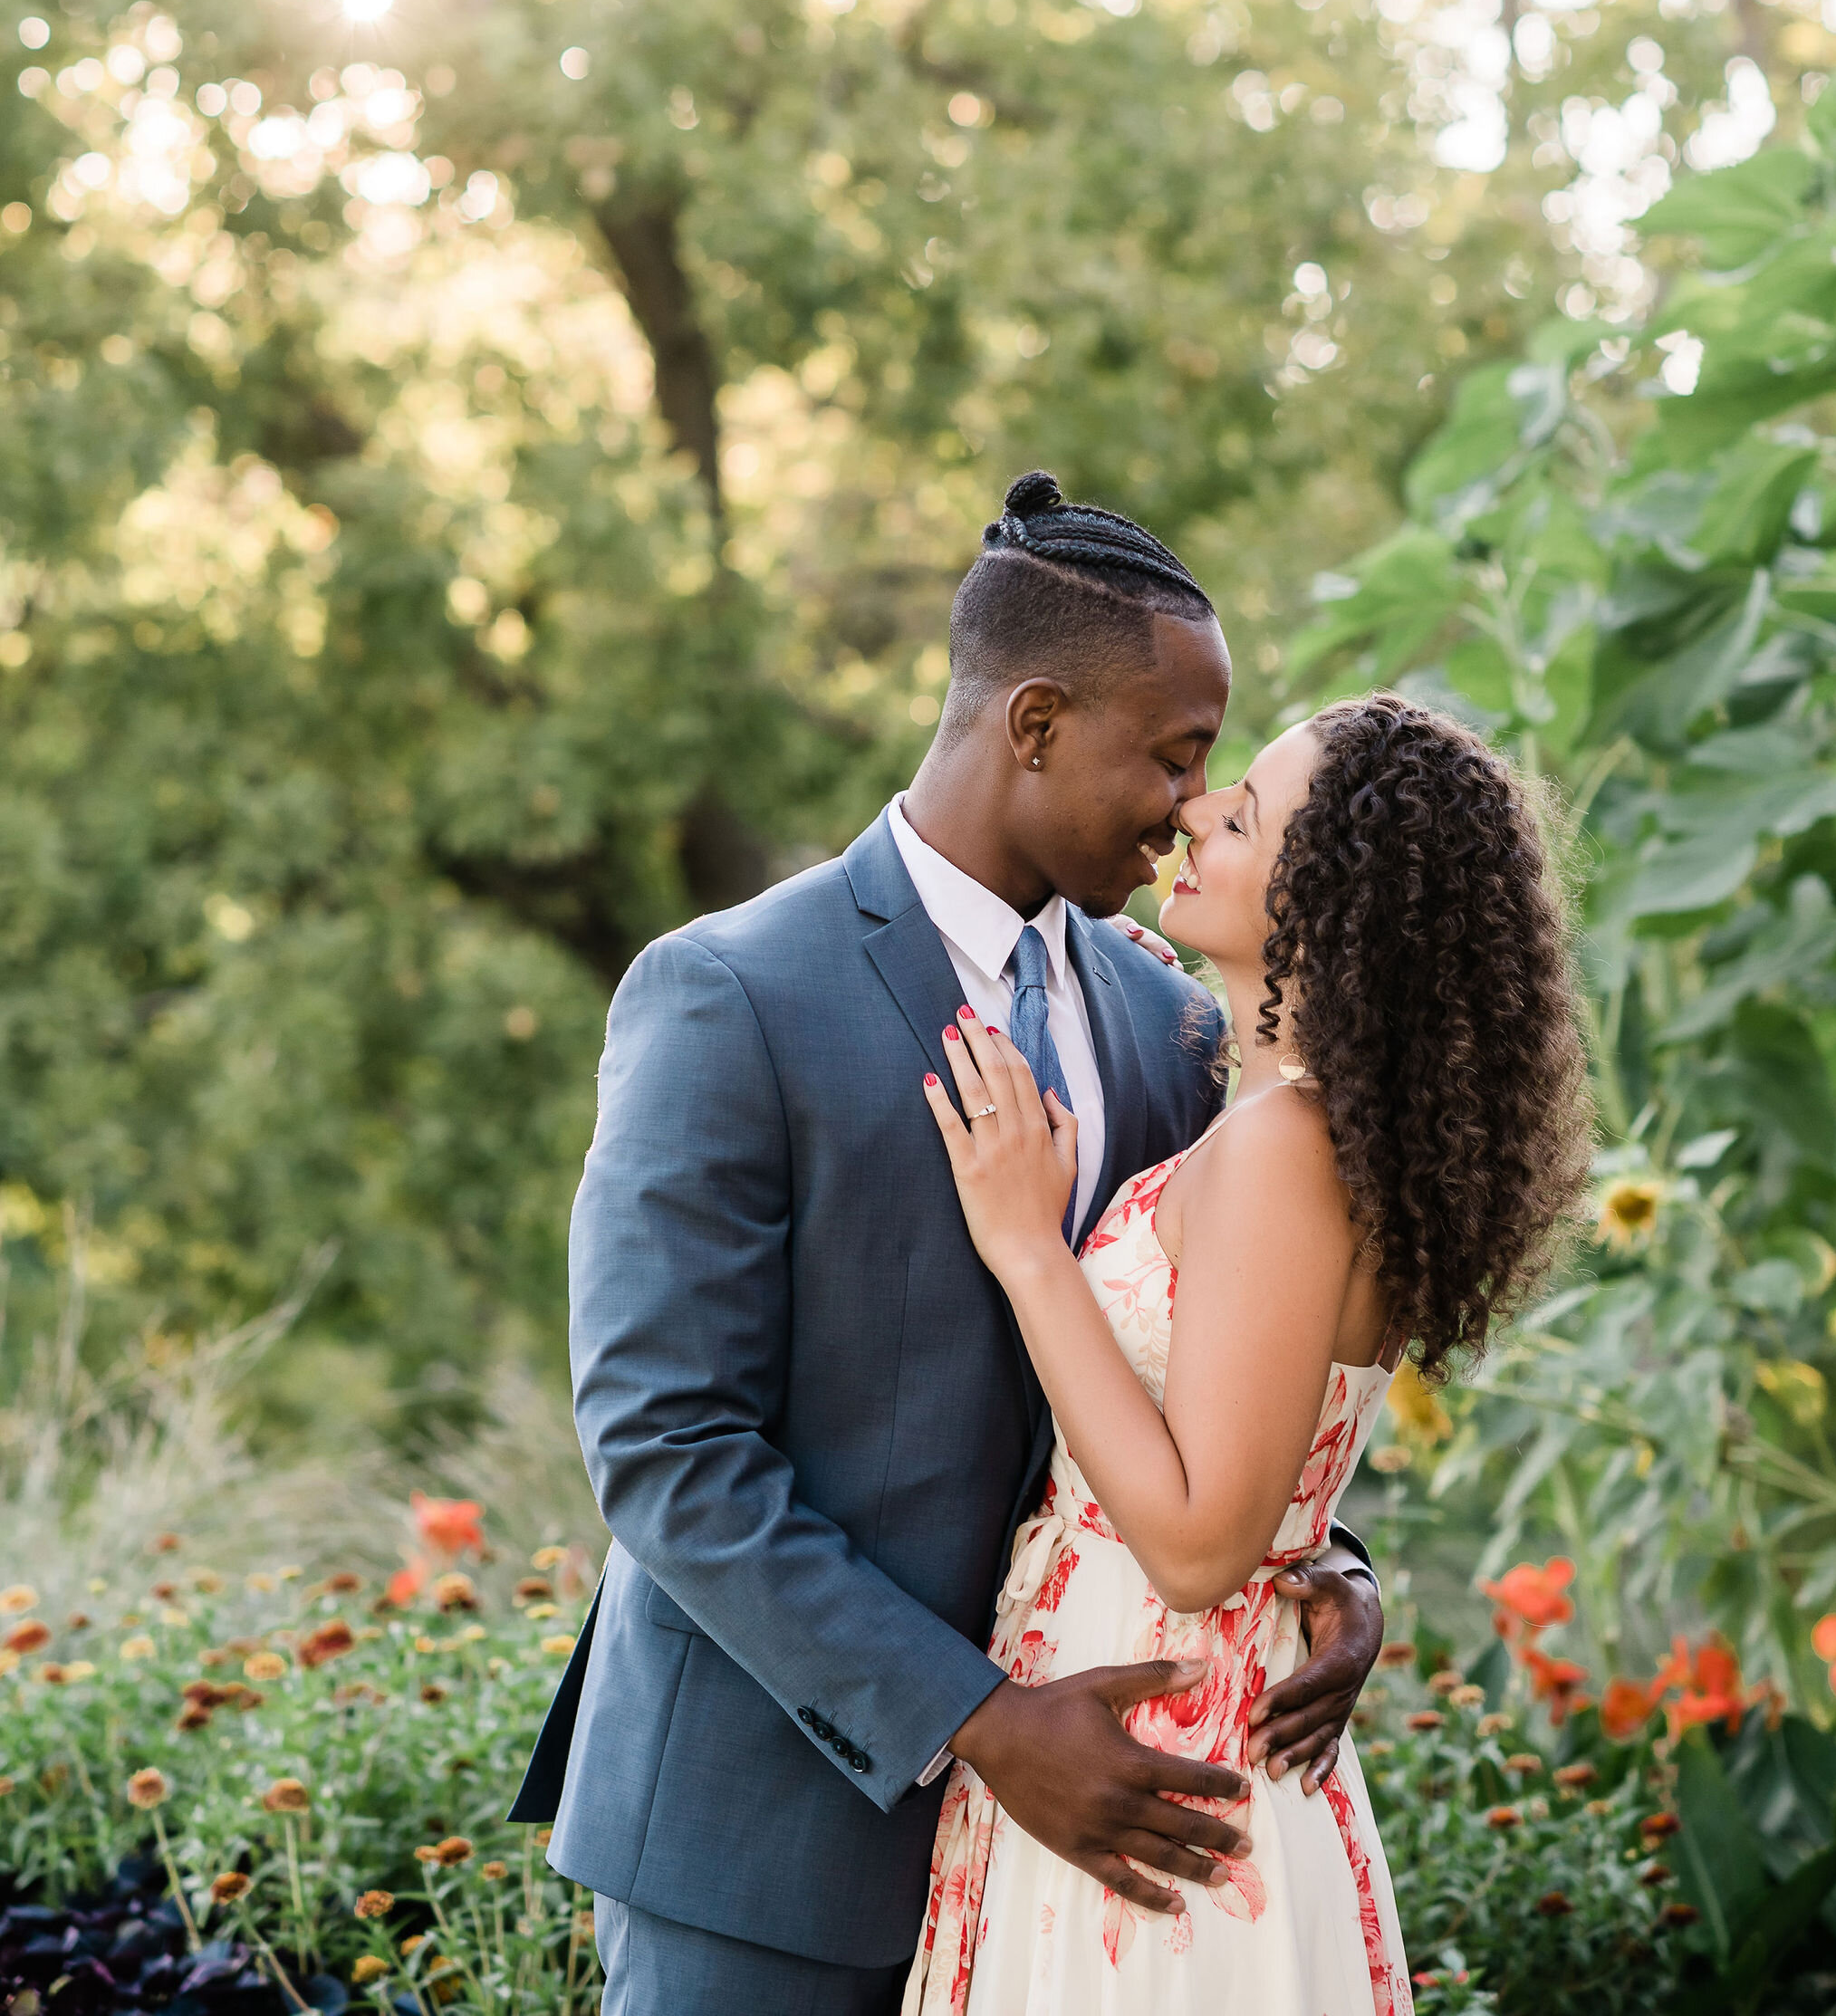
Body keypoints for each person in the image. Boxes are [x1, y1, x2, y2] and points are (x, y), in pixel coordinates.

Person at [511, 472, 1387, 2016]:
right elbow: (665, 1449)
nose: (1195, 807)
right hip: (766, 1858)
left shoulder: (1177, 1024)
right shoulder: (729, 995)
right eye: (1174, 757)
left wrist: (1325, 1564)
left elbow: (1208, 1348)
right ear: (1033, 722)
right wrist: (979, 1720)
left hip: (1071, 1886)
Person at [902, 692, 1590, 2015]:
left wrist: (1030, 1249)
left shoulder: (1286, 1151)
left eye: (1248, 810)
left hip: (1162, 1755)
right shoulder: (1283, 1128)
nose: (1196, 809)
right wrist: (1336, 1568)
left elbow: (1206, 1545)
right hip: (1154, 1725)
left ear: (1337, 905)